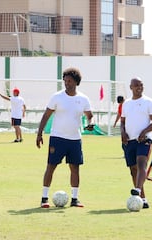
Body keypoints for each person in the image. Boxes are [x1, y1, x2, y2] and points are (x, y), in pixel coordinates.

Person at [36, 67, 94, 208]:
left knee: (75, 168)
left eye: (69, 81)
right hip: (57, 138)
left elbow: (90, 116)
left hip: (75, 139)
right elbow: (46, 115)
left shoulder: (83, 99)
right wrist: (39, 133)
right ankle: (44, 198)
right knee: (51, 166)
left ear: (76, 82)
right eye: (65, 81)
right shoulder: (57, 97)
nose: (67, 83)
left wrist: (91, 123)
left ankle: (75, 199)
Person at [120, 77, 152, 209]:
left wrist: (144, 132)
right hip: (129, 141)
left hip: (144, 140)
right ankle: (143, 198)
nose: (139, 87)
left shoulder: (149, 102)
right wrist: (123, 133)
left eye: (141, 85)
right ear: (131, 87)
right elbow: (123, 122)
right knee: (133, 170)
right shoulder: (126, 104)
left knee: (141, 164)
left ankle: (136, 190)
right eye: (136, 85)